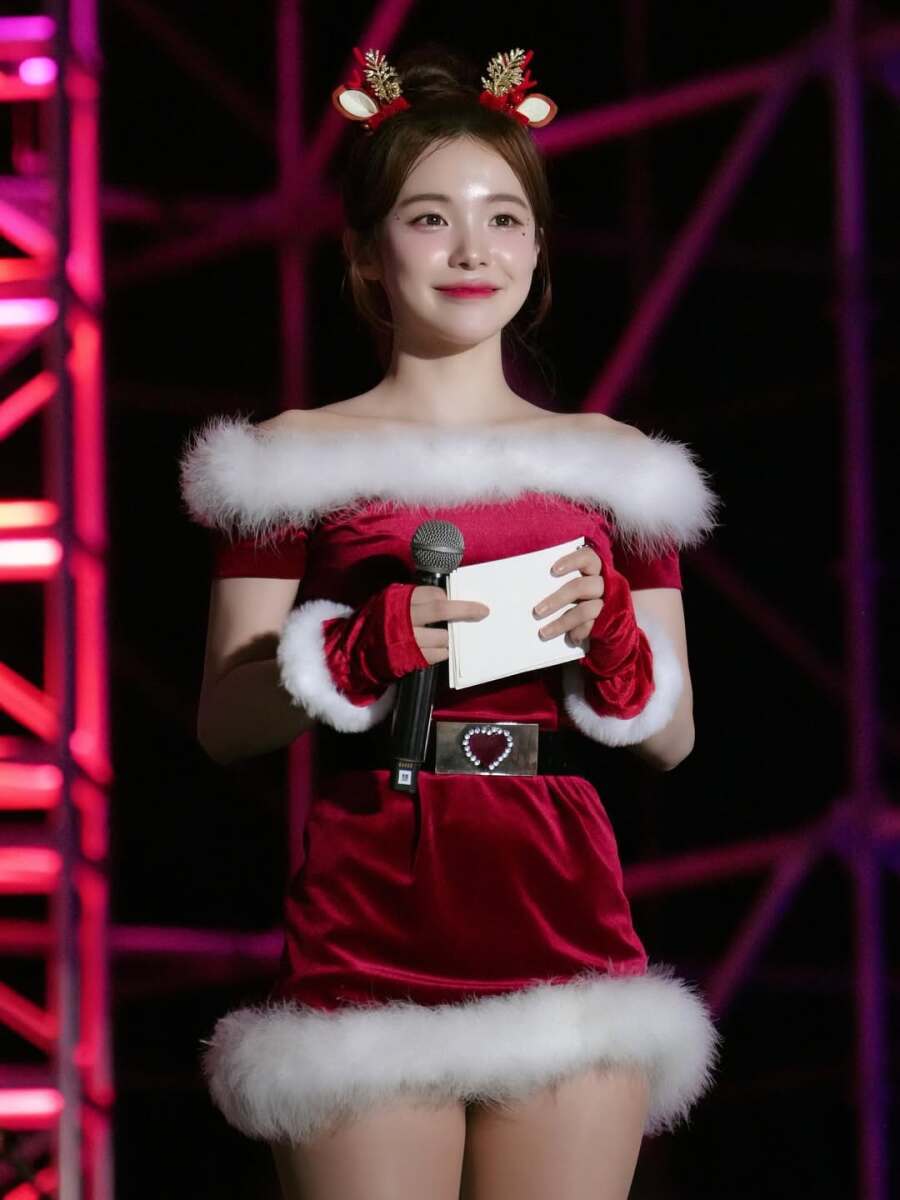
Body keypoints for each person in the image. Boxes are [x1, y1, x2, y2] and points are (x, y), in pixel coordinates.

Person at [179, 43, 721, 1200]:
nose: (474, 250)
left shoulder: (617, 467)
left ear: (538, 246)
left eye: (504, 218)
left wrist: (615, 642)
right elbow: (225, 722)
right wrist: (355, 650)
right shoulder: (291, 459)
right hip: (373, 907)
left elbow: (673, 738)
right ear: (365, 253)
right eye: (431, 218)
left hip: (561, 908)